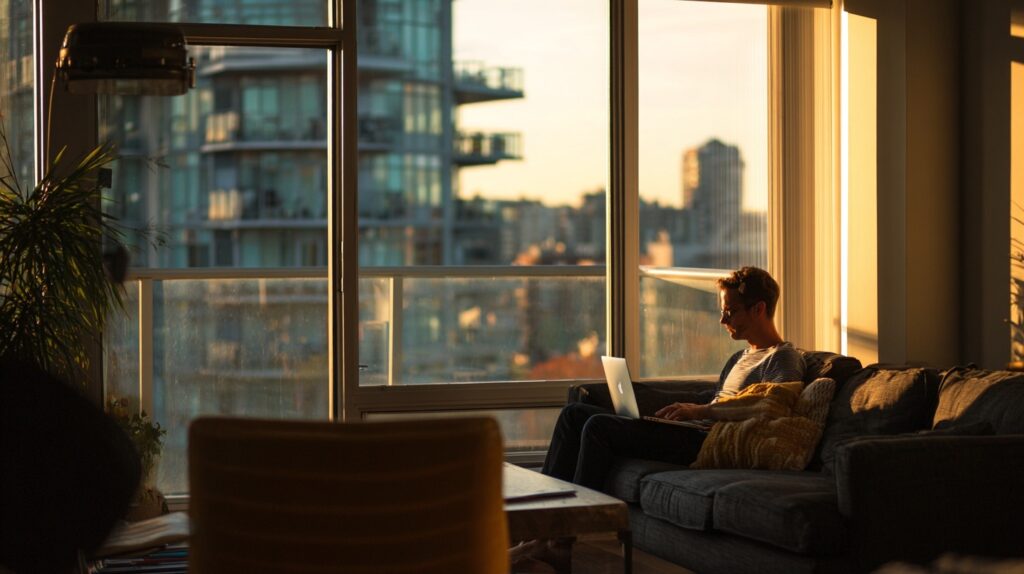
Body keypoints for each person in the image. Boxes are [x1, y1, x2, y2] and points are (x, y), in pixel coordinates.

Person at [542, 265, 806, 490]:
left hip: (706, 442)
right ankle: (542, 523)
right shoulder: (739, 357)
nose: (722, 319)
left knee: (598, 427)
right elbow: (714, 400)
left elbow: (773, 406)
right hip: (693, 431)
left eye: (731, 311)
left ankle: (564, 539)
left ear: (758, 309)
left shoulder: (782, 357)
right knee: (574, 414)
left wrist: (700, 411)